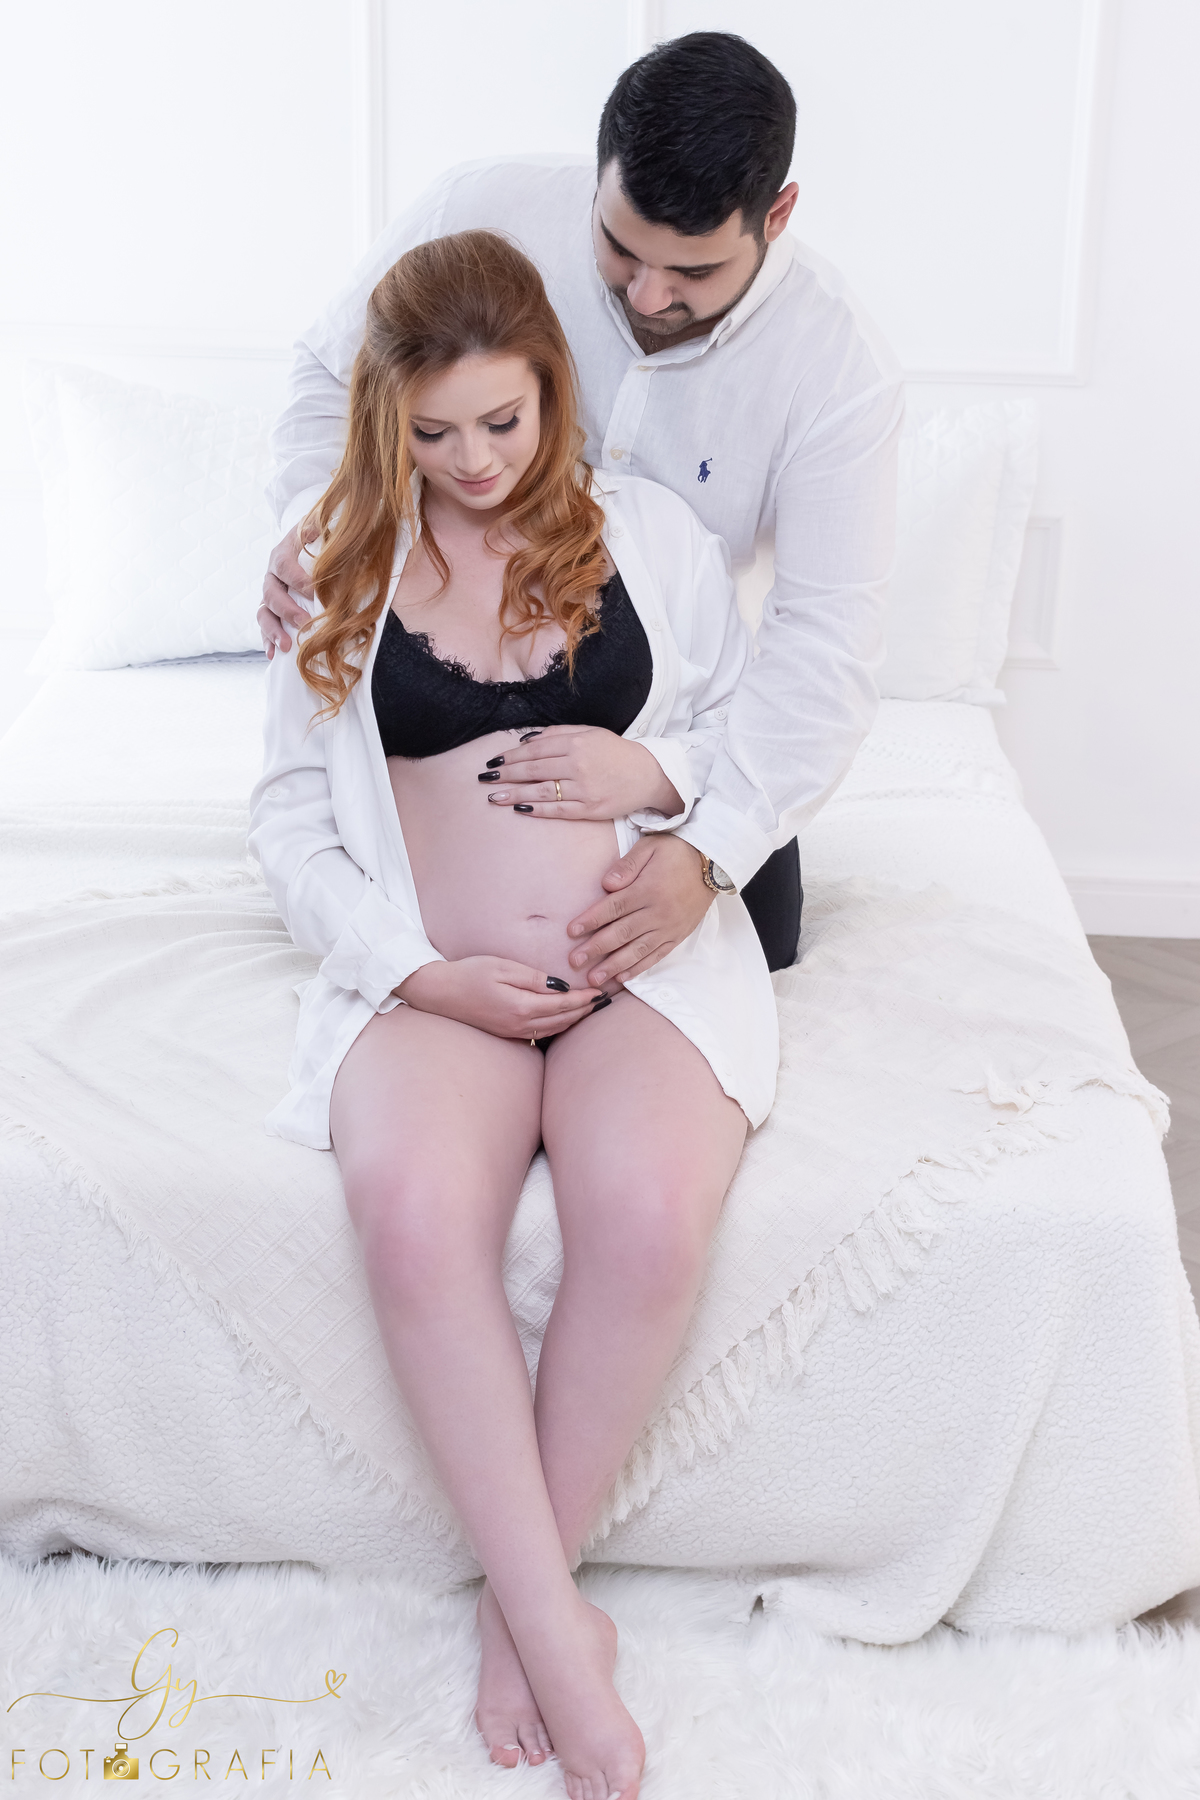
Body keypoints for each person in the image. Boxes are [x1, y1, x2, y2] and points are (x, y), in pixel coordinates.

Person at [248, 228, 779, 1800]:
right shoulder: (337, 559)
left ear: (552, 388)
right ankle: (557, 1624)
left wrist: (652, 770)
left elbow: (757, 732)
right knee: (413, 1213)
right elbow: (289, 820)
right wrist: (415, 971)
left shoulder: (653, 540)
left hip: (637, 966)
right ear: (384, 417)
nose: (476, 462)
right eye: (435, 432)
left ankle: (513, 1617)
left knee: (651, 1213)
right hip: (434, 983)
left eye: (504, 419)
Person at [258, 30, 903, 994]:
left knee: (755, 967)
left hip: (673, 725)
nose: (648, 294)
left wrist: (710, 853)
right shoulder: (478, 209)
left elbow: (825, 647)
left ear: (777, 215)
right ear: (598, 171)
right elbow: (328, 372)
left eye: (693, 274)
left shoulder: (838, 372)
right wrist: (327, 524)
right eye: (619, 248)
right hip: (432, 725)